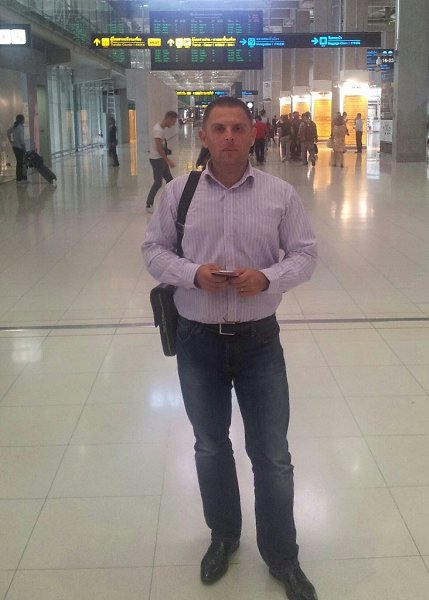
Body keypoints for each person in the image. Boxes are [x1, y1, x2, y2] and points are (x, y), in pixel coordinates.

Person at [142, 96, 318, 600]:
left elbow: (305, 254)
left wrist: (267, 278)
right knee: (210, 445)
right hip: (197, 341)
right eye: (219, 128)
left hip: (259, 341)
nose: (228, 137)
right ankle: (223, 536)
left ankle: (282, 557)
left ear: (252, 134)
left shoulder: (280, 194)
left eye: (238, 128)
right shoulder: (178, 193)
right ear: (203, 136)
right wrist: (190, 273)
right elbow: (153, 250)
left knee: (272, 455)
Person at [146, 110, 178, 213]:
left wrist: (167, 152)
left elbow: (162, 147)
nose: (173, 125)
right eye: (173, 122)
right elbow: (159, 149)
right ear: (169, 119)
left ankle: (171, 202)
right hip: (156, 159)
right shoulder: (158, 130)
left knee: (170, 180)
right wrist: (169, 161)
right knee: (158, 182)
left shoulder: (160, 128)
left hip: (160, 159)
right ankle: (149, 204)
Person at [7, 114, 27, 183]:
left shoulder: (14, 126)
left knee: (19, 162)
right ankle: (19, 178)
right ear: (22, 120)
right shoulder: (20, 127)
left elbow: (8, 132)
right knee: (20, 162)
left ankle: (20, 177)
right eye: (24, 119)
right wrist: (24, 147)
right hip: (20, 147)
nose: (24, 121)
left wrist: (11, 141)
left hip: (15, 147)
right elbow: (21, 139)